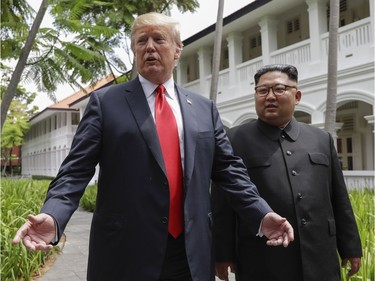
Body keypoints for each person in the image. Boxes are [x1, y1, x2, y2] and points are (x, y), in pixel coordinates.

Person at [12, 13, 294, 281]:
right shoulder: (106, 104)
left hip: (190, 252)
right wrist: (53, 215)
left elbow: (230, 171)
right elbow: (75, 171)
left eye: (159, 39)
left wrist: (260, 213)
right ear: (134, 51)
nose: (149, 48)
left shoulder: (203, 109)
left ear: (177, 49)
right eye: (141, 42)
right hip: (126, 251)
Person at [213, 64, 362, 281]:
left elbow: (339, 198)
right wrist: (223, 254)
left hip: (320, 254)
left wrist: (350, 247)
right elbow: (223, 202)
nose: (270, 96)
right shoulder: (235, 139)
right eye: (262, 90)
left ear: (297, 95)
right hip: (262, 256)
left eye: (279, 89)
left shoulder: (320, 139)